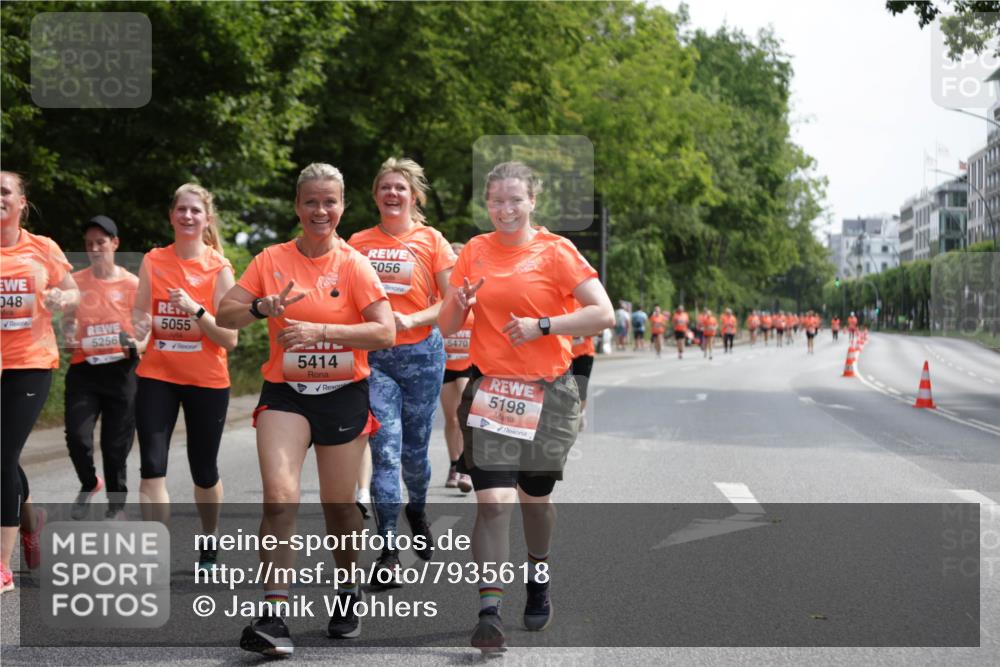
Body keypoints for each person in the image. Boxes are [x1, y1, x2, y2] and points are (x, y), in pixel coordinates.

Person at [217, 163, 394, 655]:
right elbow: (224, 313)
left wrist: (325, 332)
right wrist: (261, 307)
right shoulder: (270, 259)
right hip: (287, 393)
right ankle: (274, 616)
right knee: (279, 498)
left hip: (343, 393)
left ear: (342, 207)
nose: (321, 210)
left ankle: (346, 589)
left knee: (339, 509)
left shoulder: (355, 264)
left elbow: (385, 331)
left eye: (330, 201)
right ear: (298, 206)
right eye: (311, 201)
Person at [439, 161, 614, 652]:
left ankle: (539, 572)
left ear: (532, 201)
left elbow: (603, 312)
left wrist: (544, 326)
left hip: (548, 392)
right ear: (486, 203)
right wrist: (462, 300)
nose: (505, 209)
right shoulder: (474, 250)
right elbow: (447, 324)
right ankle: (489, 612)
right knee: (493, 502)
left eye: (515, 200)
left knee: (535, 501)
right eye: (496, 200)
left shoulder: (557, 251)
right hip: (492, 390)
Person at [348, 157, 456, 578]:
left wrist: (412, 319)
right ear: (375, 195)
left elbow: (451, 299)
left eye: (400, 188)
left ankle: (418, 508)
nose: (392, 194)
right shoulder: (358, 242)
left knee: (414, 454)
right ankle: (389, 550)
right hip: (376, 359)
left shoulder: (431, 240)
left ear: (414, 196)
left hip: (423, 356)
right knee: (385, 450)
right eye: (385, 188)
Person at [132, 183, 237, 566]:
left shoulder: (218, 268)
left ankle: (210, 540)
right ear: (172, 215)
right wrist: (138, 334)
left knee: (204, 470)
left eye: (195, 211)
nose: (188, 216)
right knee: (152, 467)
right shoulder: (154, 261)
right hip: (157, 375)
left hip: (207, 381)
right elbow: (142, 315)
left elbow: (230, 337)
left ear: (207, 219)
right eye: (182, 210)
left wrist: (195, 309)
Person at [1, 171, 80, 593]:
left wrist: (60, 298)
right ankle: (31, 520)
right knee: (5, 460)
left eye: (4, 191)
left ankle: (2, 566)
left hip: (30, 363)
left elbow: (74, 293)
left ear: (21, 203)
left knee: (1, 455)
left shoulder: (41, 248)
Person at [62, 215, 144, 521]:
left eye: (101, 242)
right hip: (85, 369)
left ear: (115, 244)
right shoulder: (77, 282)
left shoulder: (133, 284)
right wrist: (69, 333)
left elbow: (144, 327)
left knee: (115, 443)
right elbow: (67, 321)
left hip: (122, 371)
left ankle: (116, 505)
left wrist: (136, 340)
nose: (95, 248)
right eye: (89, 244)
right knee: (77, 436)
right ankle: (89, 482)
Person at [441, 242, 474, 494]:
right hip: (444, 364)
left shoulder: (475, 289)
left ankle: (465, 467)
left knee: (465, 413)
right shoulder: (443, 289)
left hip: (468, 363)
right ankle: (454, 464)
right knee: (451, 417)